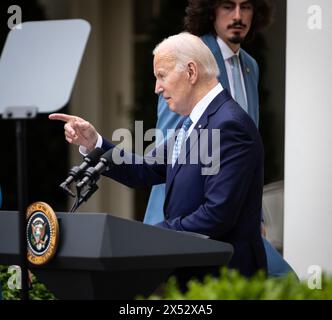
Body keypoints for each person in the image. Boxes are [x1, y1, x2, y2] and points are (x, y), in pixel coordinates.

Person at [50, 32, 267, 278]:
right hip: (199, 274)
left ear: (191, 72)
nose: (157, 88)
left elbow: (216, 215)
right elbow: (147, 169)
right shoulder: (194, 122)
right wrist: (94, 143)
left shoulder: (229, 125)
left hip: (224, 280)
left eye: (161, 76)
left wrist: (152, 236)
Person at [143, 0, 294, 277]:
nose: (237, 16)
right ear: (210, 11)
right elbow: (170, 148)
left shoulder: (250, 65)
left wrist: (255, 214)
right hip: (187, 218)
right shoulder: (191, 59)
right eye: (227, 6)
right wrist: (167, 225)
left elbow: (243, 154)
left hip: (230, 214)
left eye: (246, 7)